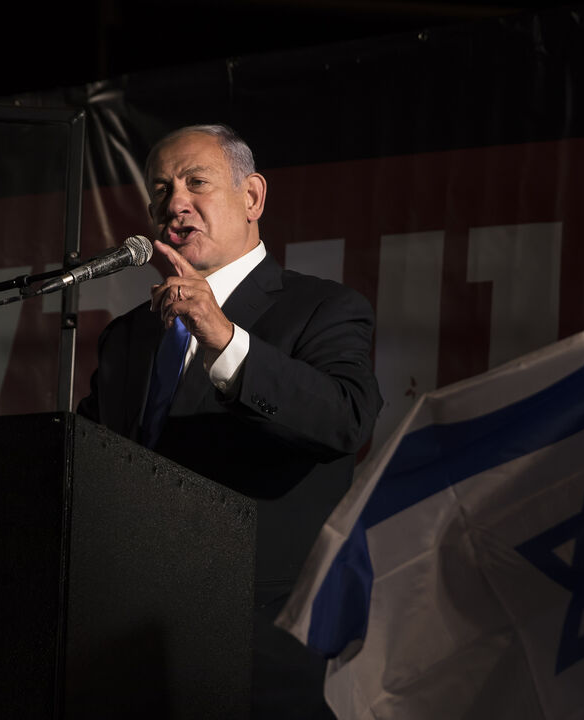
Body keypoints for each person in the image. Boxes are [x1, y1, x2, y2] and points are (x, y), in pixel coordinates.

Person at [77, 124, 382, 718]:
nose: (175, 204)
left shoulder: (322, 308)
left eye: (197, 182)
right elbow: (94, 464)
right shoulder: (127, 338)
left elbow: (346, 420)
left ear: (252, 198)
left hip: (266, 641)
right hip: (136, 645)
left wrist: (225, 339)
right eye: (160, 190)